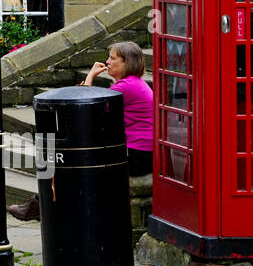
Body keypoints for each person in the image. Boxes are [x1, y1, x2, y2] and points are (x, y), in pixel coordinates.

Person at [9, 40, 153, 221]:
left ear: (126, 62)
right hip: (137, 153)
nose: (107, 61)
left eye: (112, 58)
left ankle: (42, 207)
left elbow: (83, 109)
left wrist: (91, 75)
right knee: (70, 164)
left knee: (71, 167)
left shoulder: (126, 87)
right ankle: (42, 206)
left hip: (137, 156)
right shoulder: (131, 84)